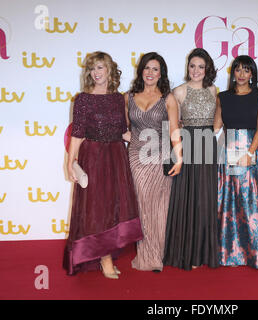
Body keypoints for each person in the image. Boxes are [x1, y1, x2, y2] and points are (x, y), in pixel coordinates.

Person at [63, 51, 143, 279]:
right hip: (94, 157)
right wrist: (70, 162)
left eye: (100, 67)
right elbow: (77, 134)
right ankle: (105, 258)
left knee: (114, 207)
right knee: (98, 209)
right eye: (92, 68)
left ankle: (107, 253)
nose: (96, 73)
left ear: (109, 69)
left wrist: (150, 141)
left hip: (116, 156)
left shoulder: (119, 98)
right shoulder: (83, 99)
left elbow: (123, 131)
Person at [213, 55, 258, 269]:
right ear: (233, 73)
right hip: (227, 151)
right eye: (237, 70)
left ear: (252, 74)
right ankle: (228, 253)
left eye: (246, 70)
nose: (241, 74)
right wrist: (188, 130)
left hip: (250, 150)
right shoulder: (223, 97)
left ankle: (254, 254)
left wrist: (250, 151)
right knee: (228, 203)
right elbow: (216, 127)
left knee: (250, 203)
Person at [125, 52, 182, 272]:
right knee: (143, 204)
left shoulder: (168, 98)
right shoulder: (128, 96)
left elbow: (175, 130)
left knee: (161, 206)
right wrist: (126, 137)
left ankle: (160, 253)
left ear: (161, 73)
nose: (150, 73)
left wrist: (180, 157)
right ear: (141, 70)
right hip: (137, 157)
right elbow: (126, 126)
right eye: (147, 68)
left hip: (161, 156)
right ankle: (147, 254)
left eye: (155, 69)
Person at [163, 48, 219, 270]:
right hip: (186, 144)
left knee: (205, 197)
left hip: (207, 144)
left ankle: (203, 252)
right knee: (186, 197)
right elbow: (173, 125)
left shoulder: (215, 90)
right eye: (192, 66)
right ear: (188, 67)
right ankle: (187, 253)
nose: (196, 70)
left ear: (208, 69)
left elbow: (218, 119)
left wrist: (211, 132)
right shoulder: (178, 91)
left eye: (201, 66)